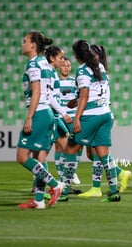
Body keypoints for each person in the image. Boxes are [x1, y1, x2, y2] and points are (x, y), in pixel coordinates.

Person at [60, 40, 121, 202]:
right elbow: (91, 92)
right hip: (106, 114)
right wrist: (76, 99)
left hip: (91, 114)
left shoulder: (81, 70)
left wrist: (77, 117)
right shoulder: (99, 67)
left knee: (70, 149)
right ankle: (114, 192)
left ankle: (63, 191)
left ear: (76, 55)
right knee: (103, 154)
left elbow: (86, 94)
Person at [16, 31, 65, 209]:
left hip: (40, 112)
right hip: (48, 113)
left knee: (22, 157)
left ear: (33, 45)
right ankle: (38, 200)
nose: (22, 44)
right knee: (39, 156)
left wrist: (29, 117)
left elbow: (37, 92)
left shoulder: (34, 64)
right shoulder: (45, 63)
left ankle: (55, 185)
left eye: (25, 41)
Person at [78, 44, 132, 198]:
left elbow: (88, 95)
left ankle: (97, 187)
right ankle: (120, 174)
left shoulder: (95, 71)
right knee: (93, 153)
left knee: (96, 152)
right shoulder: (102, 71)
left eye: (92, 54)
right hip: (104, 113)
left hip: (97, 114)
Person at [45, 48, 81, 194]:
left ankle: (65, 178)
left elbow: (80, 98)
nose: (66, 67)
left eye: (68, 65)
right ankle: (65, 178)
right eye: (64, 64)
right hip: (59, 117)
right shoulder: (54, 79)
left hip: (71, 117)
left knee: (72, 147)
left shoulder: (75, 81)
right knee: (58, 148)